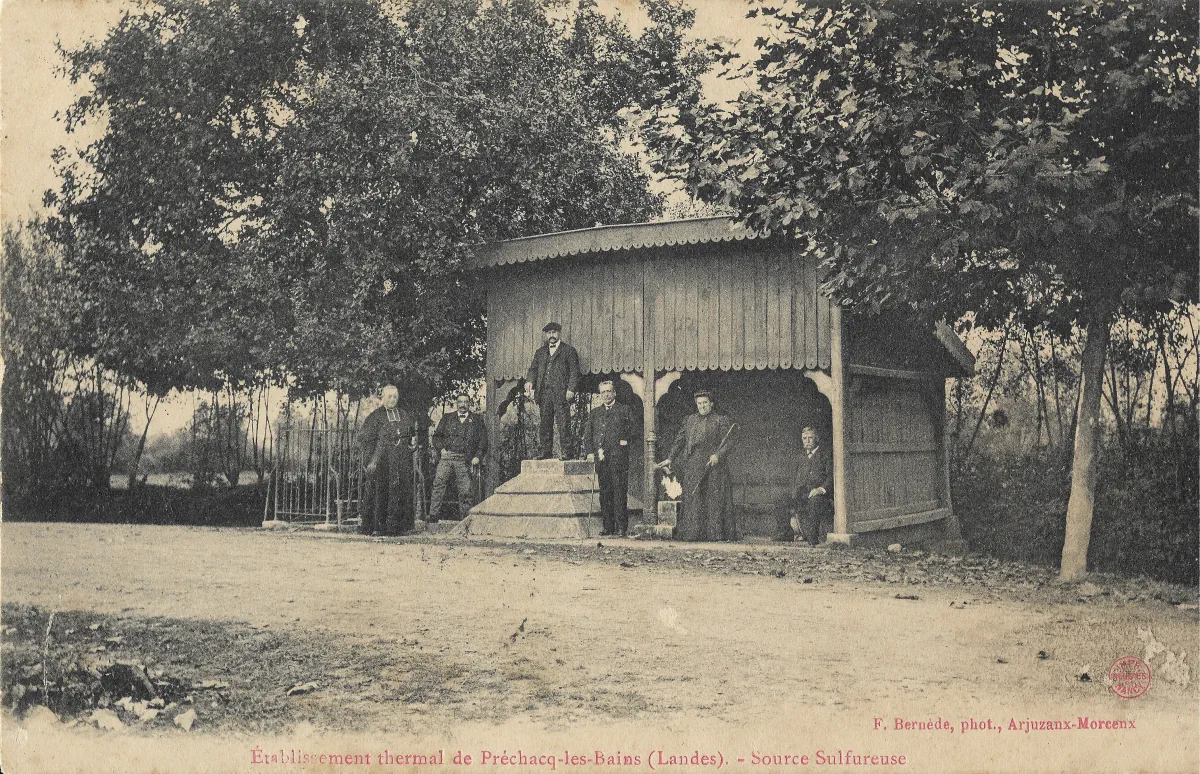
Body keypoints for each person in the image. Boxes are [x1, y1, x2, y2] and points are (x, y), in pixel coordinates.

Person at [657, 390, 737, 541]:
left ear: (711, 404)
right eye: (699, 403)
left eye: (705, 403)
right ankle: (694, 535)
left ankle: (714, 535)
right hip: (693, 464)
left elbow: (729, 442)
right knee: (694, 499)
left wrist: (717, 456)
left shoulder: (720, 420)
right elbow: (679, 441)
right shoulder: (689, 421)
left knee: (713, 499)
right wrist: (670, 458)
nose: (702, 406)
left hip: (713, 466)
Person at [358, 385, 421, 536]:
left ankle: (400, 528)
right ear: (383, 398)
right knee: (382, 492)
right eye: (389, 397)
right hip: (382, 462)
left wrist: (412, 444)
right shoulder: (374, 417)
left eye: (395, 397)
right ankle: (378, 527)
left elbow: (411, 436)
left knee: (402, 491)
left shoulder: (404, 415)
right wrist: (371, 461)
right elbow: (366, 442)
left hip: (402, 461)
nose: (392, 400)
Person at [581, 380, 640, 536]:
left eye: (609, 391)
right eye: (603, 392)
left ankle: (621, 527)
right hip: (601, 459)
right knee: (605, 493)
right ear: (600, 395)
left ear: (614, 393)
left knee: (619, 492)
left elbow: (634, 431)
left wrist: (623, 442)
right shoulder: (595, 413)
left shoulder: (624, 410)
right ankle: (608, 527)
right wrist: (589, 452)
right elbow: (588, 435)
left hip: (618, 459)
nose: (606, 394)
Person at [427, 394, 488, 522]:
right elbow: (436, 437)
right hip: (447, 456)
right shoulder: (447, 418)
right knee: (438, 483)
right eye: (460, 402)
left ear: (469, 404)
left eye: (466, 402)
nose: (462, 405)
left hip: (464, 458)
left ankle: (465, 519)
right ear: (456, 403)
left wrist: (477, 456)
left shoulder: (476, 420)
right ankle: (433, 515)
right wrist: (442, 450)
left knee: (465, 489)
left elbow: (483, 441)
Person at [525, 321, 580, 460]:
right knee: (545, 423)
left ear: (559, 333)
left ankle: (567, 452)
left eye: (554, 332)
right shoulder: (540, 352)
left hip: (561, 393)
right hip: (544, 394)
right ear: (546, 335)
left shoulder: (568, 351)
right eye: (549, 333)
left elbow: (574, 372)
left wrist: (571, 389)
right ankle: (545, 451)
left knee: (563, 423)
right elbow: (533, 369)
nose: (552, 335)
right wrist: (529, 381)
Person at [779, 426, 834, 545]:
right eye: (804, 438)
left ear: (817, 439)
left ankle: (812, 538)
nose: (807, 441)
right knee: (781, 500)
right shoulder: (800, 456)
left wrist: (821, 489)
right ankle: (785, 534)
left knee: (815, 502)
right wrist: (794, 493)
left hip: (820, 495)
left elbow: (831, 477)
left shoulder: (825, 455)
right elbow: (793, 478)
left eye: (810, 438)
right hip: (802, 494)